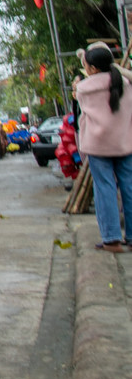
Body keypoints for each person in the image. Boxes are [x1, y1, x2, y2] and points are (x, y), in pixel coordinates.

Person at [74, 44, 132, 252]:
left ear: (93, 68)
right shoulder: (124, 82)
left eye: (87, 66)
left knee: (105, 189)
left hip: (98, 146)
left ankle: (112, 239)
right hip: (125, 142)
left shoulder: (84, 88)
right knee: (129, 187)